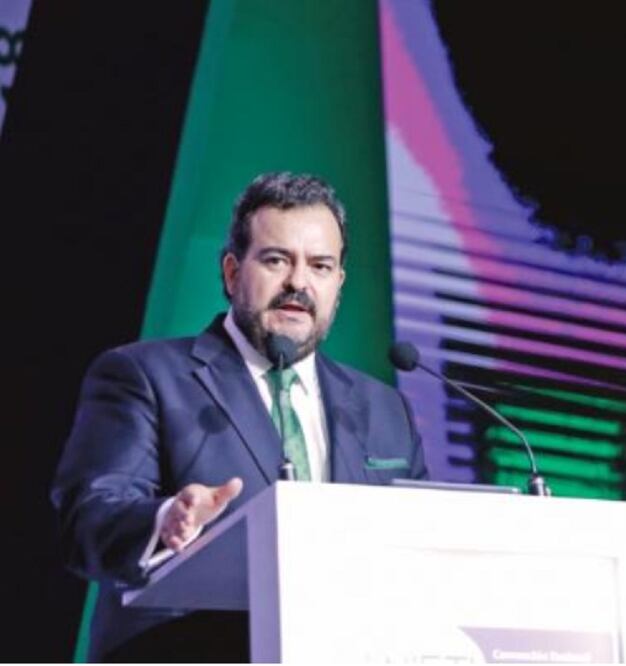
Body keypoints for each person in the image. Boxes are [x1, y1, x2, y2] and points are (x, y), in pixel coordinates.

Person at [51, 172, 428, 661]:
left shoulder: (385, 409)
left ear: (338, 284)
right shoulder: (144, 375)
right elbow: (89, 518)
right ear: (232, 273)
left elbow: (421, 547)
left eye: (320, 266)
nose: (298, 283)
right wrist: (165, 521)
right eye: (276, 260)